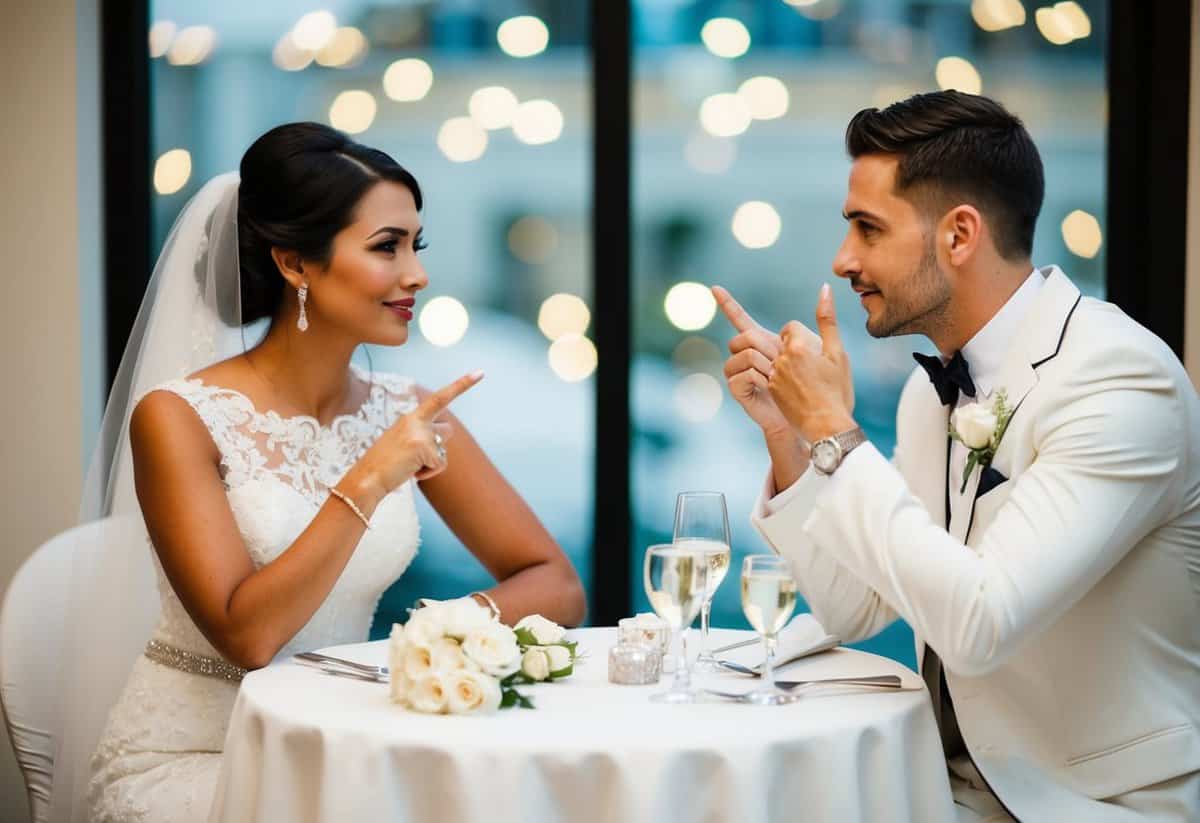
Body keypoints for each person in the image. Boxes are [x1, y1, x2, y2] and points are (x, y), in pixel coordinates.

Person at [48, 122, 585, 823]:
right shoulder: (178, 416)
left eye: (414, 246)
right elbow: (248, 636)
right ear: (296, 264)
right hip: (200, 761)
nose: (416, 274)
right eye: (386, 247)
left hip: (345, 747)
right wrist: (368, 480)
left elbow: (558, 584)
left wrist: (432, 638)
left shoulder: (410, 411)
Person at [714, 91, 1200, 821]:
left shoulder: (1121, 377)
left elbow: (980, 622)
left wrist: (834, 431)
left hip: (1094, 804)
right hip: (942, 793)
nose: (844, 259)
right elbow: (852, 607)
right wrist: (791, 433)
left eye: (867, 229)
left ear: (960, 235)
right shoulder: (927, 392)